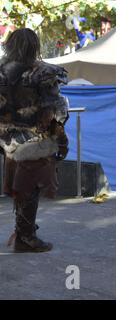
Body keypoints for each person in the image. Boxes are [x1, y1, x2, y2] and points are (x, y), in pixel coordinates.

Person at [0, 28, 69, 252]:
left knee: (20, 186)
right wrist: (61, 138)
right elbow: (53, 110)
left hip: (6, 139)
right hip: (33, 140)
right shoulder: (43, 73)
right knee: (29, 187)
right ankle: (25, 237)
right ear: (35, 46)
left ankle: (24, 232)